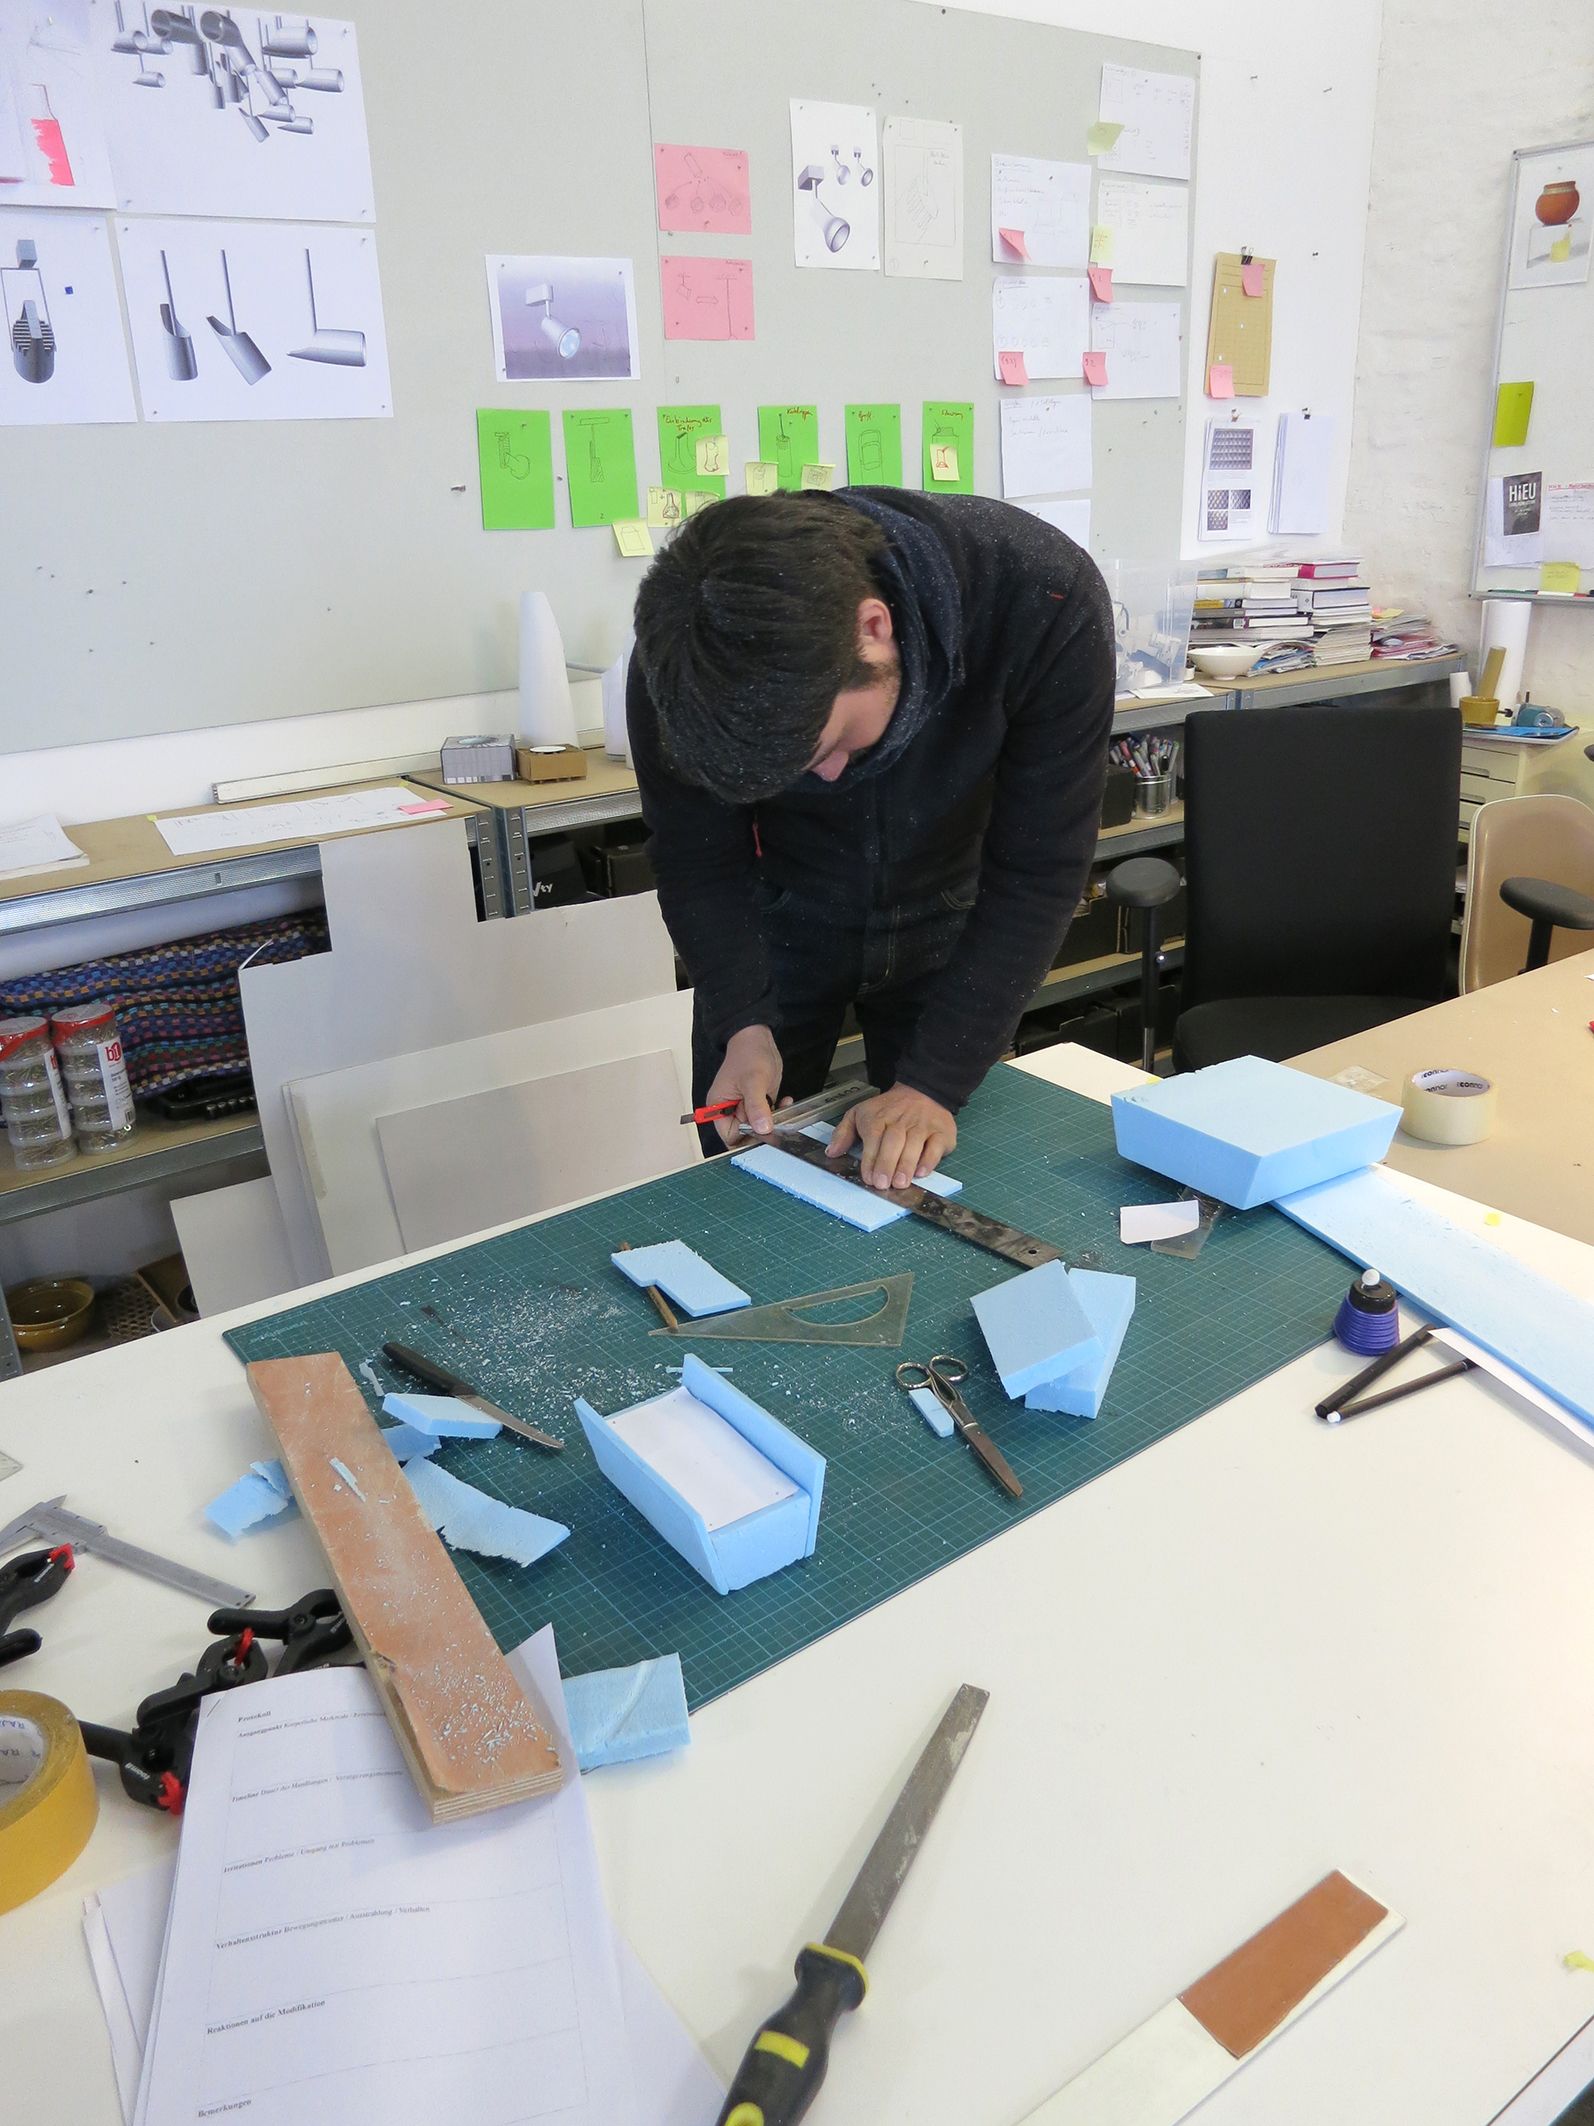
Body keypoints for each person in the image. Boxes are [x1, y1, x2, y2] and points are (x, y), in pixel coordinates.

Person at [627, 485, 1115, 1191]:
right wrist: (741, 1021)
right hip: (775, 919)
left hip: (954, 918)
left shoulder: (1042, 597)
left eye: (828, 746)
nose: (826, 780)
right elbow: (696, 858)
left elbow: (1040, 870)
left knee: (933, 1171)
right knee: (746, 1185)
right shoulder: (684, 660)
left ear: (874, 628)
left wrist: (934, 1082)